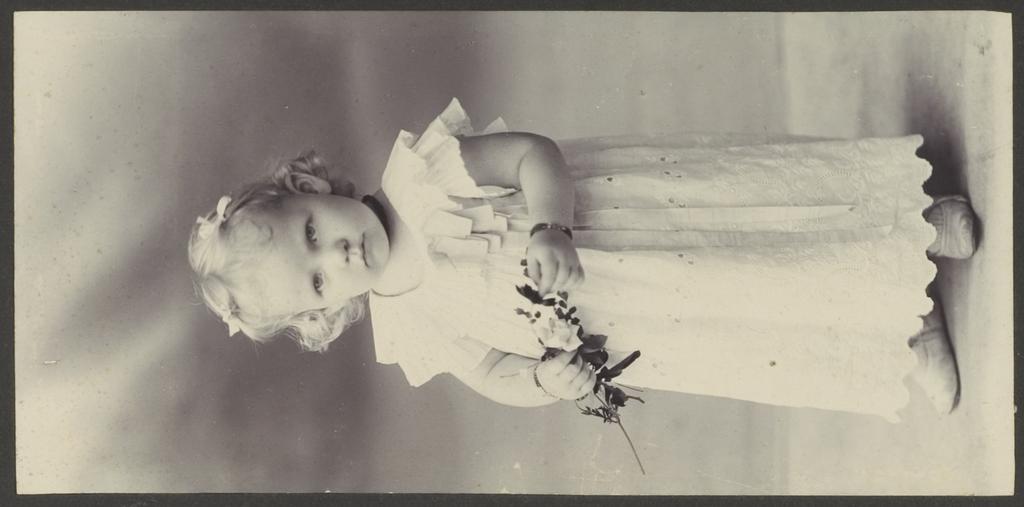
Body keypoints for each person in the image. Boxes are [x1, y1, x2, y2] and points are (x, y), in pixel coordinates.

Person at [188, 98, 975, 421]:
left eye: (312, 230)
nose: (337, 252)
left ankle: (913, 221)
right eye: (318, 278)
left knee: (752, 230)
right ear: (325, 310)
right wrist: (543, 380)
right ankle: (903, 331)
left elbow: (532, 153)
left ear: (312, 188)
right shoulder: (411, 327)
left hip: (640, 221)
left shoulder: (423, 178)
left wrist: (551, 227)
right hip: (645, 315)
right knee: (752, 304)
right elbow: (491, 371)